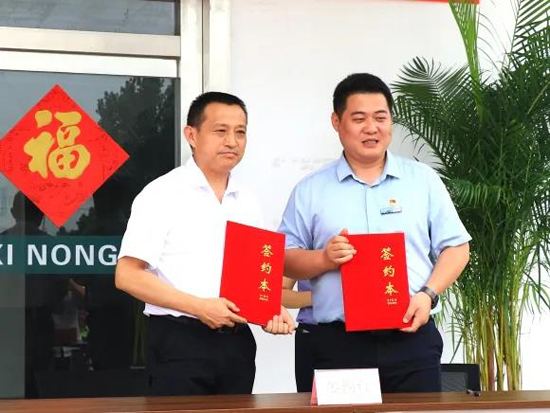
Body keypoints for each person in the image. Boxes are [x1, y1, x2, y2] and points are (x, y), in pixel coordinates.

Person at [278, 73, 471, 393]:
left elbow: (457, 247)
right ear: (337, 122)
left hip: (411, 340)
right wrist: (324, 259)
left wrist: (429, 293)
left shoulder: (422, 181)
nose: (371, 128)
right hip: (337, 344)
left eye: (381, 118)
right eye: (359, 119)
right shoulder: (310, 190)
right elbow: (285, 258)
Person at [115, 92, 294, 396]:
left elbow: (253, 277)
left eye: (240, 132)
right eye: (220, 131)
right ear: (192, 135)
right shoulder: (162, 193)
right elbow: (127, 275)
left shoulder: (248, 199)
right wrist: (199, 307)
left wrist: (270, 310)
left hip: (237, 341)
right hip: (179, 341)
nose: (232, 141)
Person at [281, 277, 317, 392]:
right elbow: (279, 293)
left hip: (361, 332)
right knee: (309, 398)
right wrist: (319, 297)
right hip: (313, 333)